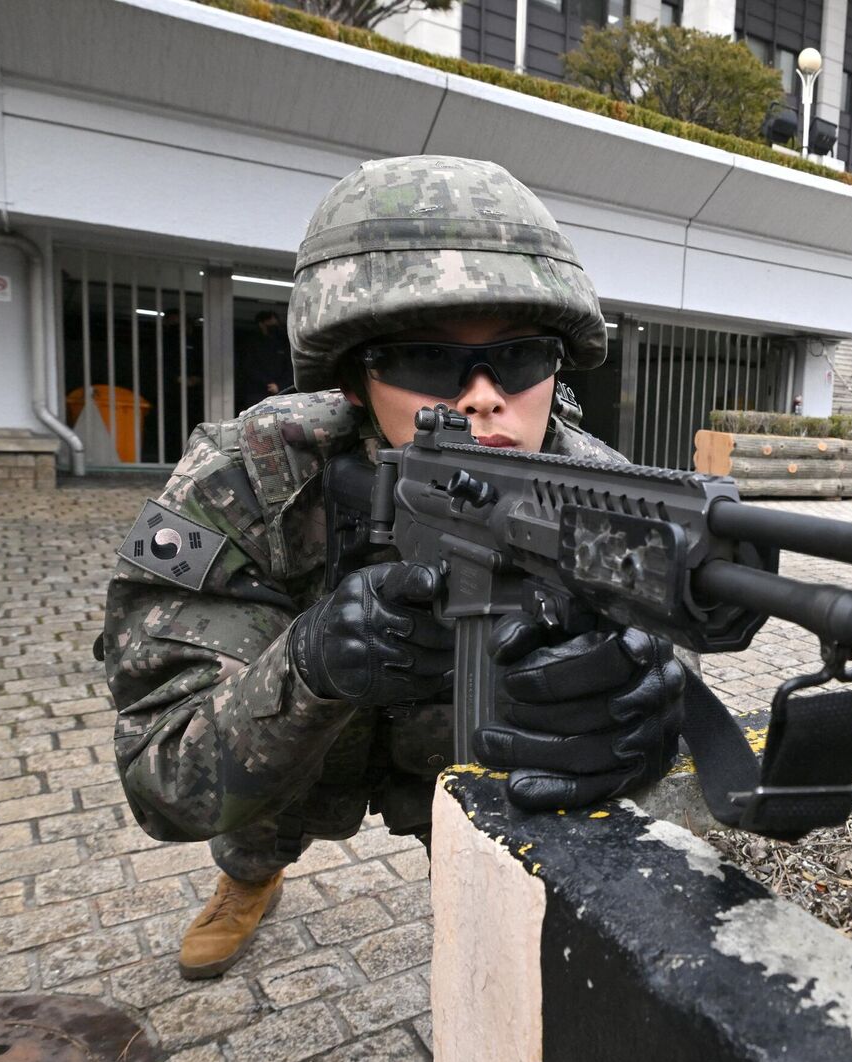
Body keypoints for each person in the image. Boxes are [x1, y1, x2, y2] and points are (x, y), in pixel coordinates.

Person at [99, 156, 685, 980]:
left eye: (522, 359)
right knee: (254, 827)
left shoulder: (599, 493)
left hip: (457, 768)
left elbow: (653, 681)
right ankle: (248, 880)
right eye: (425, 359)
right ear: (352, 374)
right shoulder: (248, 477)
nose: (485, 397)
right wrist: (311, 665)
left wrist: (645, 727)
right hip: (292, 762)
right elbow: (162, 777)